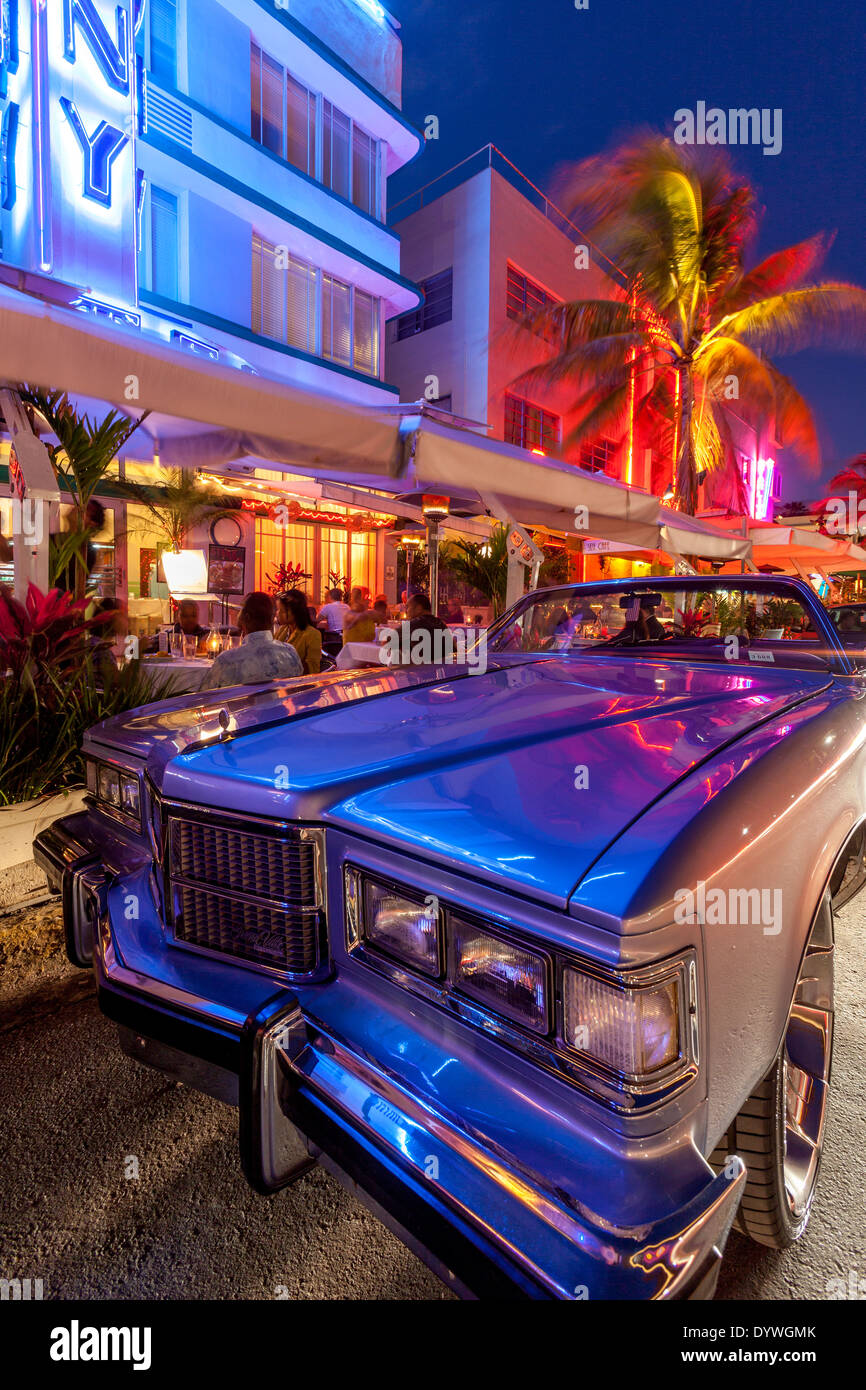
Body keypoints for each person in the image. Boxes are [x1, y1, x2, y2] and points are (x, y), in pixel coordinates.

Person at [199, 591, 302, 691]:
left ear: (246, 617)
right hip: (281, 708)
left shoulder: (227, 660)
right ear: (272, 619)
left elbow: (204, 698)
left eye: (240, 610)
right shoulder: (290, 653)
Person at [275, 592, 322, 674]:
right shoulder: (283, 630)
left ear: (295, 612)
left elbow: (312, 669)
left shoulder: (312, 634)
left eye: (282, 610)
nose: (277, 613)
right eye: (278, 609)